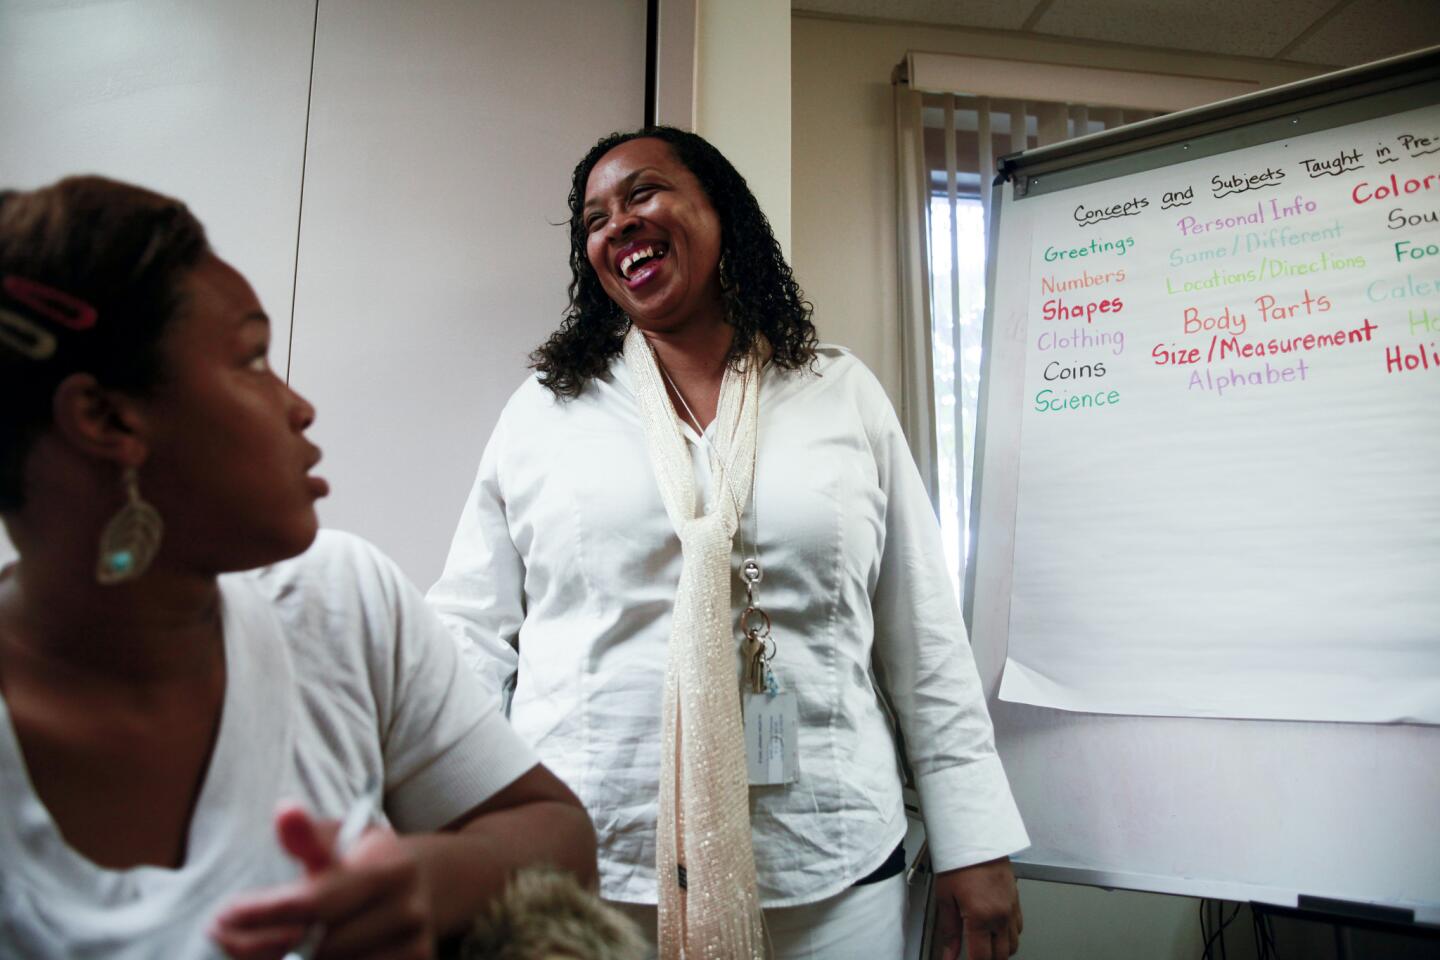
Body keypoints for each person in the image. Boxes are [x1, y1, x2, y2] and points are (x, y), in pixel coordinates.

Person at [428, 127, 1029, 960]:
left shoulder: (839, 392)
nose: (617, 225)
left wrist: (974, 839)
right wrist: (442, 830)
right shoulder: (544, 411)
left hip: (826, 866)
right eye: (595, 219)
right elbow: (469, 631)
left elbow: (922, 636)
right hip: (593, 864)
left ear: (721, 212)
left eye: (642, 194)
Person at [0, 176, 598, 959]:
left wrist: (428, 879)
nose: (298, 406)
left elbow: (558, 836)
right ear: (106, 418)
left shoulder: (340, 600)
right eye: (251, 359)